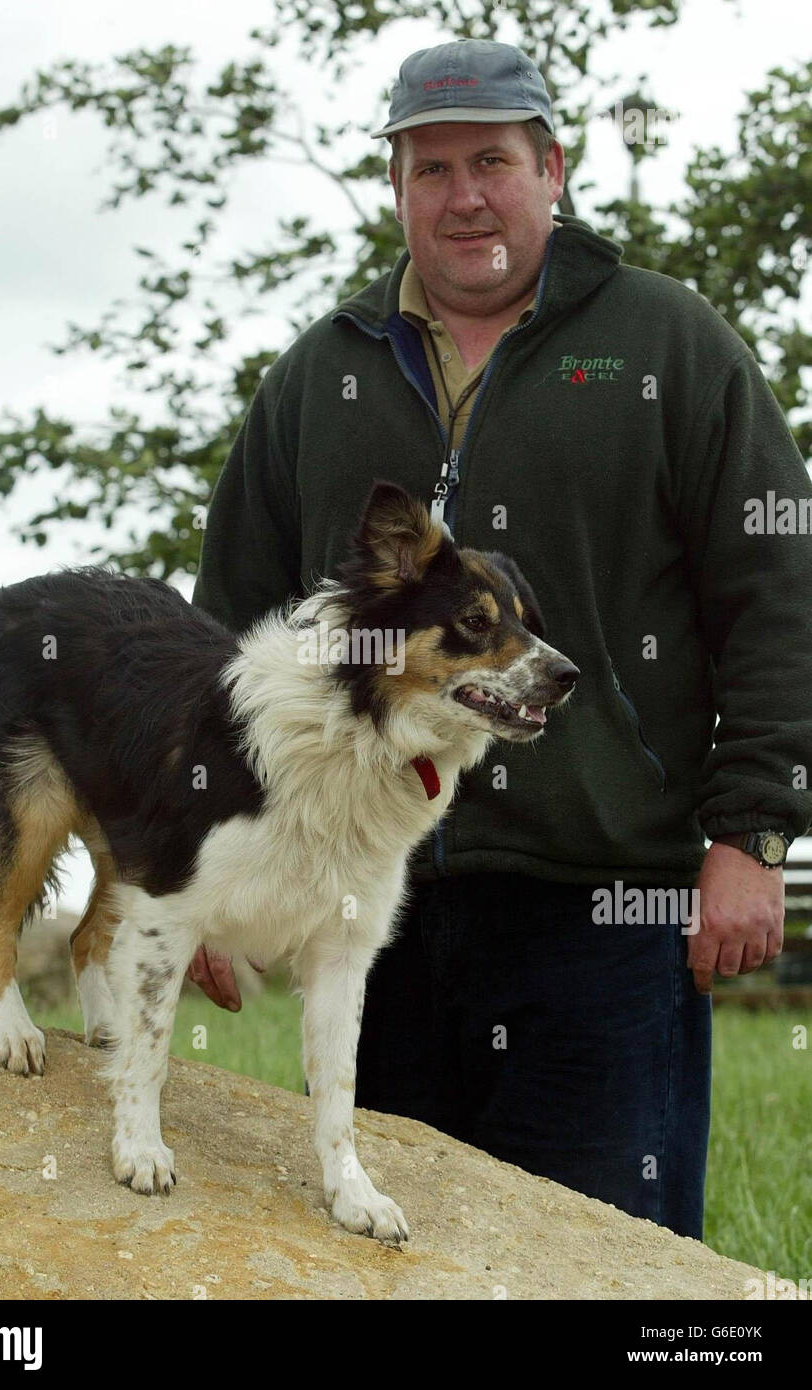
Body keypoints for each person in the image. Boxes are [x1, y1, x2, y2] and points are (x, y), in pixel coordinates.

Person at [190, 39, 812, 1239]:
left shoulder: (668, 344)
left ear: (554, 168)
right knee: (378, 1259)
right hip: (363, 906)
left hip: (603, 915)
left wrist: (751, 831)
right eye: (432, 168)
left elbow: (776, 590)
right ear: (396, 186)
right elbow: (224, 629)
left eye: (492, 161)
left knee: (606, 1269)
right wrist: (207, 855)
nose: (464, 196)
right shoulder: (318, 376)